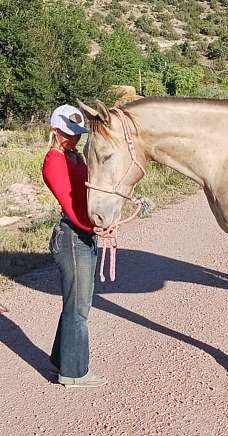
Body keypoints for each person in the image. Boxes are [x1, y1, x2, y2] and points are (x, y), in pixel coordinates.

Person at [42, 104, 107, 388]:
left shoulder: (75, 157)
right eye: (68, 134)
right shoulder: (54, 161)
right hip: (72, 236)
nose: (74, 139)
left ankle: (61, 360)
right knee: (78, 308)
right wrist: (93, 227)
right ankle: (74, 372)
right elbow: (69, 205)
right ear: (54, 131)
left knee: (76, 304)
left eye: (77, 134)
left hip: (82, 235)